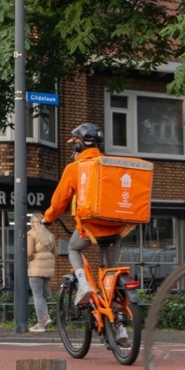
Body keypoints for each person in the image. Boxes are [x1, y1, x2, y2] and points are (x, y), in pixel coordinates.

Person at [44, 123, 124, 308]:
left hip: (90, 227)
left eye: (74, 144)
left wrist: (48, 218)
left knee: (73, 249)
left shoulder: (75, 168)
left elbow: (59, 202)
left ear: (79, 145)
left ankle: (84, 284)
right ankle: (118, 322)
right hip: (115, 227)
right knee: (109, 273)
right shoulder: (110, 165)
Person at [28, 212, 58, 333]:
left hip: (36, 269)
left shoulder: (31, 234)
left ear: (33, 223)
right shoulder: (50, 235)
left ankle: (41, 323)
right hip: (48, 270)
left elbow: (29, 253)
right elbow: (56, 253)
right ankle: (46, 317)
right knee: (41, 295)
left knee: (37, 296)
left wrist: (30, 260)